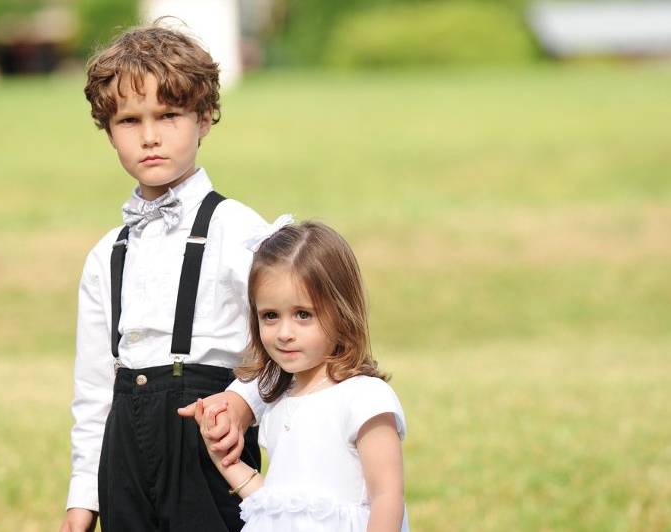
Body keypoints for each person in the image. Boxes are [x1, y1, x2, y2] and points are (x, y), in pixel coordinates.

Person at [59, 22, 269, 532]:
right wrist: (83, 496)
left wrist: (244, 406)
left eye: (169, 115)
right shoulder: (107, 254)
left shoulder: (241, 232)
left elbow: (286, 347)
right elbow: (94, 389)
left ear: (204, 119)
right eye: (130, 121)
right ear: (108, 131)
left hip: (210, 446)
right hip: (124, 454)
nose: (150, 136)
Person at [192, 220, 410, 531]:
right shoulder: (278, 403)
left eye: (302, 315)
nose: (284, 333)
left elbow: (387, 497)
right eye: (270, 316)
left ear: (341, 310)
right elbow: (277, 507)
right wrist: (225, 460)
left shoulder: (364, 397)